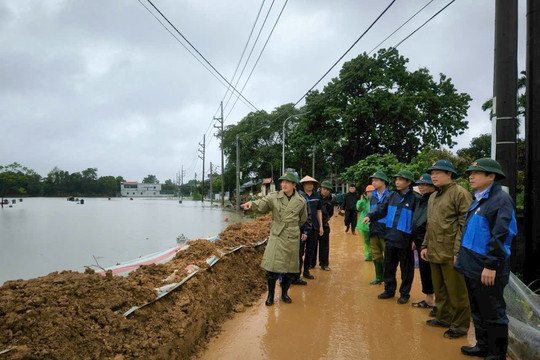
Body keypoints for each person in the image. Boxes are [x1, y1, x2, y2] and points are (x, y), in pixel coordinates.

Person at [455, 159, 517, 360]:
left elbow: (503, 234)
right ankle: (482, 346)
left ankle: (496, 355)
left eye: (477, 172)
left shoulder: (500, 199)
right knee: (478, 310)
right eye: (470, 173)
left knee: (494, 314)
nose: (471, 176)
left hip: (487, 269)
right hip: (472, 266)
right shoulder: (479, 198)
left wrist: (491, 265)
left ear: (491, 176)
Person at [421, 160, 472, 339]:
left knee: (456, 291)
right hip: (434, 250)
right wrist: (425, 245)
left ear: (449, 174)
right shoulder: (434, 196)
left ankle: (459, 326)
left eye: (438, 172)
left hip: (451, 252)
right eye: (432, 172)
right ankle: (443, 317)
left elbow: (465, 225)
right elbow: (430, 223)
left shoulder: (460, 194)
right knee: (440, 288)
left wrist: (458, 251)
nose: (433, 175)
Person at [241, 172, 308, 306]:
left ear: (294, 185)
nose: (283, 184)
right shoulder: (274, 197)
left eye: (287, 182)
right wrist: (252, 205)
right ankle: (271, 296)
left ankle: (284, 294)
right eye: (282, 182)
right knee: (271, 270)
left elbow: (302, 219)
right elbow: (263, 203)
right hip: (277, 235)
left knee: (289, 270)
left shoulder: (301, 201)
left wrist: (292, 228)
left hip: (291, 237)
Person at [362, 170, 419, 304]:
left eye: (401, 179)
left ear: (409, 182)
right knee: (389, 266)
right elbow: (381, 208)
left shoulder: (415, 199)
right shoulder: (392, 196)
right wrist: (370, 215)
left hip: (406, 239)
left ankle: (404, 293)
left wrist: (416, 240)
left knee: (406, 269)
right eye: (396, 179)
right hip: (390, 236)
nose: (397, 182)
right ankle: (389, 290)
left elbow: (418, 222)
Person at [411, 173, 436, 311]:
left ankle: (440, 304)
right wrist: (415, 239)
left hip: (431, 242)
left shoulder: (434, 199)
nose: (421, 187)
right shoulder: (420, 199)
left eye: (425, 184)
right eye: (420, 184)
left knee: (434, 272)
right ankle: (429, 299)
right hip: (420, 241)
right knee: (424, 271)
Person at [367, 170, 390, 285]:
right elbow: (372, 211)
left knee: (388, 255)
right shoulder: (373, 196)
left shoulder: (390, 195)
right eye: (372, 181)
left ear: (383, 181)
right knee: (376, 254)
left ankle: (388, 278)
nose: (373, 183)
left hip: (386, 228)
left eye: (376, 180)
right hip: (374, 228)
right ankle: (378, 277)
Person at [299, 176, 323, 280]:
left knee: (310, 250)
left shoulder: (317, 196)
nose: (310, 185)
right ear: (303, 185)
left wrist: (321, 226)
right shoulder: (299, 196)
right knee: (299, 251)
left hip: (314, 227)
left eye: (311, 183)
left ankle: (306, 271)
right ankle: (297, 273)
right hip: (302, 228)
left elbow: (319, 211)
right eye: (307, 183)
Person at [319, 180, 335, 270]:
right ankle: (310, 263)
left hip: (324, 223)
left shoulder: (331, 200)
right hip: (314, 224)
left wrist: (325, 219)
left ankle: (324, 264)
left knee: (324, 245)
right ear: (321, 188)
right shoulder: (316, 197)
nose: (325, 191)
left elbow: (331, 212)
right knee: (312, 246)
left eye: (328, 190)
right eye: (324, 189)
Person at [356, 185, 374, 261]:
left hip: (374, 225)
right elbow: (358, 208)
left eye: (372, 192)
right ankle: (369, 256)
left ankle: (375, 255)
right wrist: (361, 201)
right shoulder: (363, 201)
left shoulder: (378, 200)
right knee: (366, 242)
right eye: (368, 192)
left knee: (375, 241)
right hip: (364, 225)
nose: (370, 193)